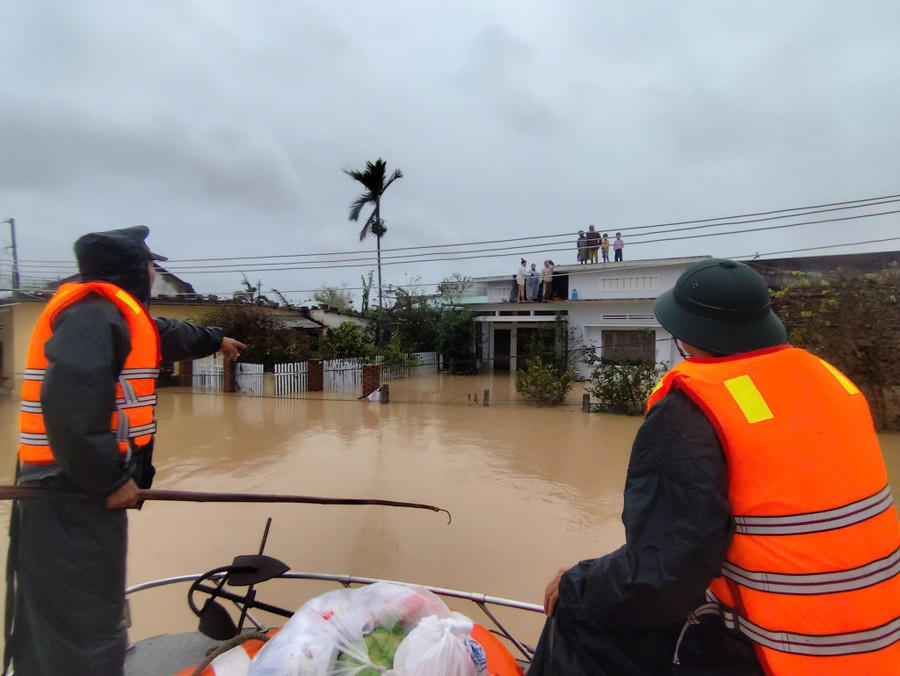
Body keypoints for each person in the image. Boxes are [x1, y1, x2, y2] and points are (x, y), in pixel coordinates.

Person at [529, 258, 900, 675]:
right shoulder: (833, 382)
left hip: (783, 655)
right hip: (882, 646)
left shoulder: (691, 412)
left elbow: (659, 574)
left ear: (684, 335)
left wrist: (577, 583)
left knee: (578, 611)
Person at [6, 226, 247, 676]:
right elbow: (71, 405)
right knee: (85, 624)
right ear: (137, 269)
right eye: (151, 264)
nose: (155, 272)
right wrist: (110, 479)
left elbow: (168, 334)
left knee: (71, 615)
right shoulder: (94, 315)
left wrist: (215, 340)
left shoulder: (114, 314)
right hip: (68, 493)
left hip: (73, 487)